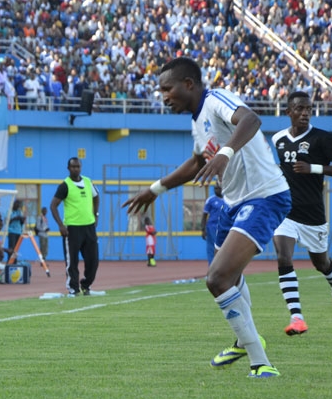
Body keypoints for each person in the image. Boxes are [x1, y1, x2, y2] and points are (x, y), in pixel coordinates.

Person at [123, 56, 291, 378]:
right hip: (232, 202)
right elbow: (197, 162)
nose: (164, 96)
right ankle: (245, 342)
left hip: (264, 196)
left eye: (167, 89)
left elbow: (251, 119)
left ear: (188, 84)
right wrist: (155, 189)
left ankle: (260, 362)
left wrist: (226, 153)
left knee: (217, 278)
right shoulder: (196, 123)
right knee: (231, 277)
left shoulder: (215, 100)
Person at [272, 90, 332, 336]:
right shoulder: (278, 140)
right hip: (286, 211)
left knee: (322, 263)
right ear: (289, 112)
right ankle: (297, 317)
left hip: (313, 214)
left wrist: (313, 168)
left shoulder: (323, 139)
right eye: (300, 108)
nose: (305, 113)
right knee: (283, 257)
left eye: (308, 108)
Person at [50, 157, 101, 296]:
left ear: (81, 167)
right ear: (68, 168)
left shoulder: (88, 182)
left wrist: (96, 215)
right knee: (72, 262)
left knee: (93, 260)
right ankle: (73, 289)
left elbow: (96, 197)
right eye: (73, 167)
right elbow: (53, 205)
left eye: (78, 166)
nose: (76, 169)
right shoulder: (65, 186)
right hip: (72, 229)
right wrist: (61, 225)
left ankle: (86, 285)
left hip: (89, 227)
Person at [201, 185, 224, 266]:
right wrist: (203, 229)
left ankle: (222, 265)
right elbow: (204, 215)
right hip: (212, 227)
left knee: (223, 246)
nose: (216, 190)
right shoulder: (211, 200)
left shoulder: (228, 199)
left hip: (223, 227)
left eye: (218, 188)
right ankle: (212, 266)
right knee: (212, 247)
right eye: (215, 188)